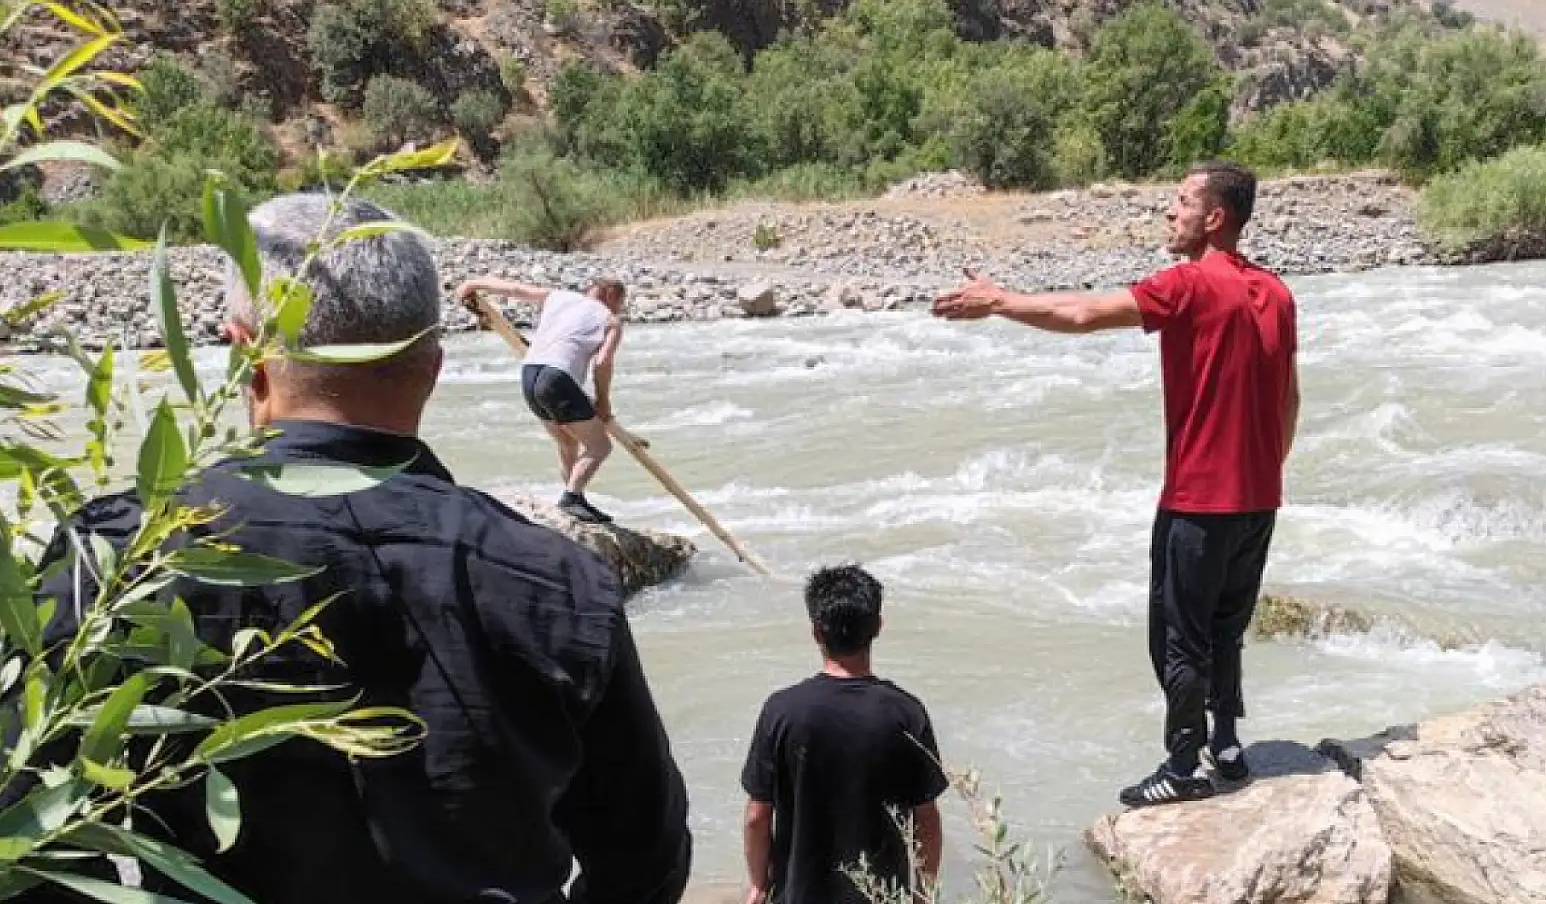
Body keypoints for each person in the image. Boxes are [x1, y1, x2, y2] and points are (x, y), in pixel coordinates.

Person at [28, 194, 691, 904]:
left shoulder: (123, 558)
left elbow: (33, 842)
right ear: (432, 370)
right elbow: (642, 860)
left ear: (243, 354)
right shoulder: (558, 582)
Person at [930, 161, 1300, 808]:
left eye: (1181, 201)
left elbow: (1081, 313)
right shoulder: (1276, 293)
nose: (1169, 211)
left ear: (1215, 217)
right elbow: (1291, 398)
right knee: (1225, 631)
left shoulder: (1187, 284)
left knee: (1177, 638)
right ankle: (1228, 746)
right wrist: (1266, 474)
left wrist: (1000, 302)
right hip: (1258, 501)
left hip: (1199, 502)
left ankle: (1183, 765)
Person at [740, 565, 947, 904]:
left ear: (816, 632)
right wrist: (924, 893)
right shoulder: (906, 713)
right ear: (878, 627)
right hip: (878, 897)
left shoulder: (781, 711)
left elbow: (757, 816)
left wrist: (758, 885)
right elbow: (927, 820)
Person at [455, 275, 626, 524]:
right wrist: (603, 401)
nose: (620, 309)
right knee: (600, 446)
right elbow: (602, 363)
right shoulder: (610, 320)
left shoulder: (558, 297)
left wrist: (473, 284)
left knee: (567, 443)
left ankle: (575, 497)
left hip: (529, 374)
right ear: (611, 295)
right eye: (621, 302)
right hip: (557, 379)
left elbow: (515, 288)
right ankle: (572, 498)